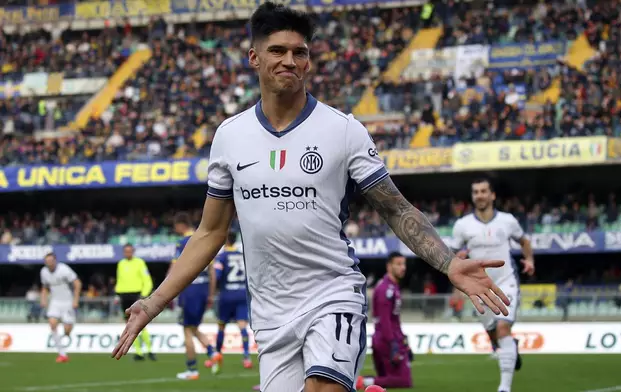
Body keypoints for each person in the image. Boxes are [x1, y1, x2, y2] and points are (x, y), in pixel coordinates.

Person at [112, 4, 510, 392]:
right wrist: (154, 302)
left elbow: (396, 207)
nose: (289, 60)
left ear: (309, 62)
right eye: (277, 50)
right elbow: (209, 233)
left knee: (322, 386)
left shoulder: (343, 130)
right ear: (254, 57)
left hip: (332, 293)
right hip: (270, 314)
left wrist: (447, 263)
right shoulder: (229, 137)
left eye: (299, 52)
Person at [451, 178, 536, 392]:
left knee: (502, 327)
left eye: (483, 191)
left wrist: (530, 260)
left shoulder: (507, 221)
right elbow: (452, 256)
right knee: (493, 335)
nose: (479, 195)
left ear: (492, 195)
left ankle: (504, 388)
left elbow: (524, 241)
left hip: (506, 281)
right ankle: (510, 348)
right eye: (476, 192)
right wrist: (457, 263)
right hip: (478, 286)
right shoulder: (462, 226)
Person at [357, 252, 412, 389]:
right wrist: (393, 343)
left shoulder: (392, 287)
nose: (403, 267)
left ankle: (363, 381)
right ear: (389, 266)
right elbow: (384, 320)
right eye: (398, 264)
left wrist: (404, 341)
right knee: (404, 381)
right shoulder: (385, 289)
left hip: (388, 339)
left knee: (387, 378)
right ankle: (363, 382)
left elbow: (394, 319)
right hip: (387, 340)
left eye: (404, 264)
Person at [172, 212, 217, 380]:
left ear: (180, 225)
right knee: (193, 327)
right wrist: (211, 294)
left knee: (187, 330)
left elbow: (175, 269)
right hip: (203, 290)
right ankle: (212, 353)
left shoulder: (183, 242)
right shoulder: (204, 239)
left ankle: (192, 370)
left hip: (189, 289)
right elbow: (212, 271)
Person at [208, 231, 252, 373]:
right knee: (242, 326)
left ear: (225, 241)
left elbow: (217, 275)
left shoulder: (221, 257)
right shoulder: (242, 256)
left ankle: (217, 355)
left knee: (221, 326)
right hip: (241, 294)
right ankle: (246, 357)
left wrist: (212, 291)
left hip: (227, 295)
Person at [115, 244, 156, 361]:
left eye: (129, 251)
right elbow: (120, 280)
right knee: (129, 324)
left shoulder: (139, 263)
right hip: (124, 295)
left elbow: (147, 279)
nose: (128, 253)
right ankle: (139, 352)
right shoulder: (121, 264)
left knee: (141, 324)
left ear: (133, 252)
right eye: (125, 251)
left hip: (136, 295)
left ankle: (149, 350)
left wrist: (144, 294)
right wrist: (117, 293)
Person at [40, 252, 82, 363]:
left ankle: (66, 334)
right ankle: (62, 354)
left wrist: (76, 300)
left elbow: (77, 283)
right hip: (55, 302)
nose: (49, 263)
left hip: (67, 302)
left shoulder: (64, 269)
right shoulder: (43, 272)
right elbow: (44, 287)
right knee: (52, 323)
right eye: (47, 261)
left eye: (51, 261)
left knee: (67, 330)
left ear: (55, 260)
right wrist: (43, 299)